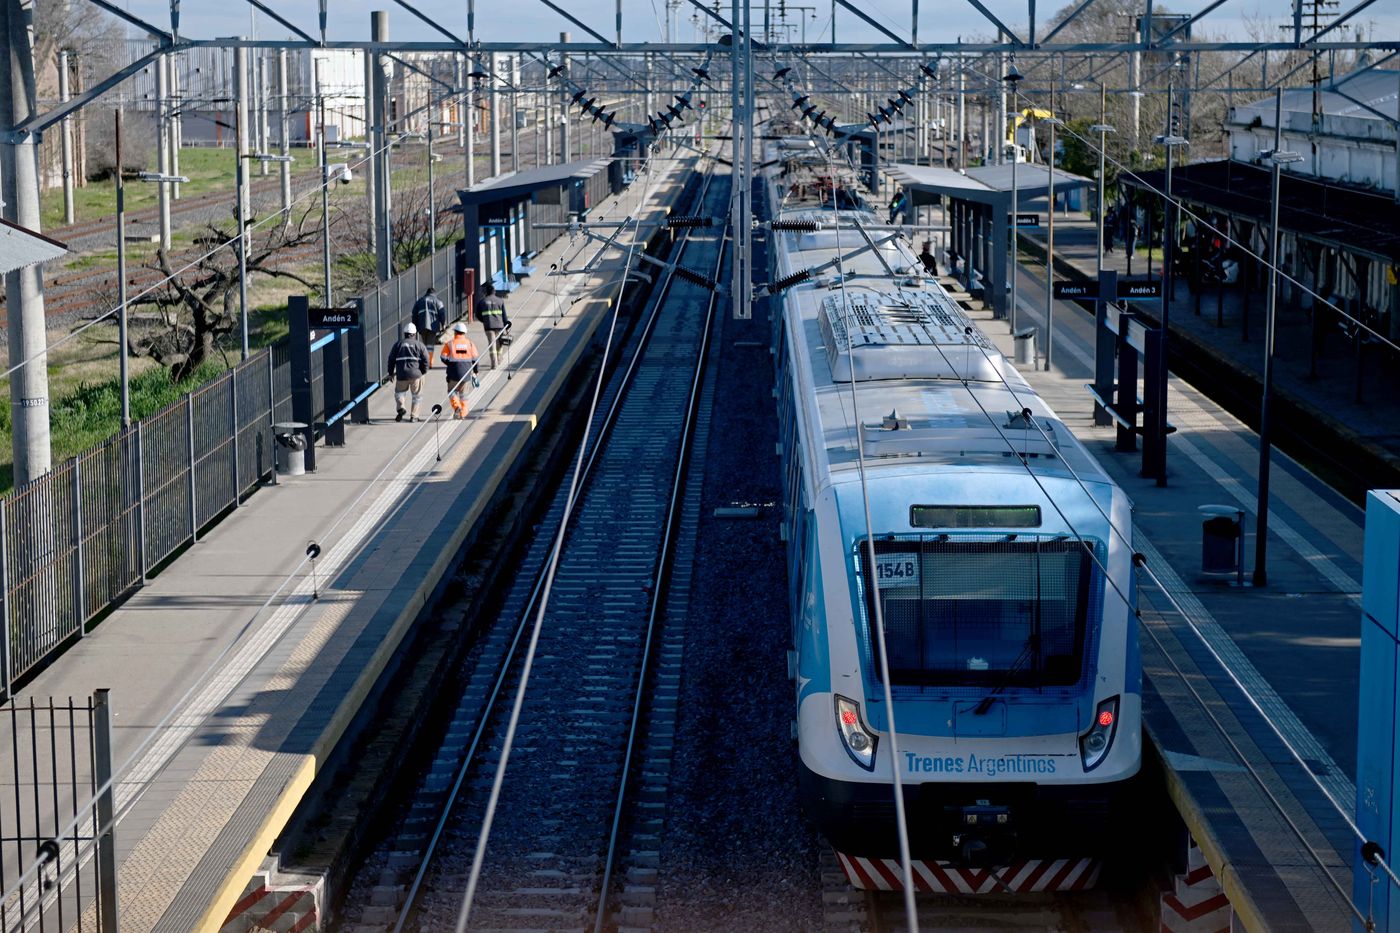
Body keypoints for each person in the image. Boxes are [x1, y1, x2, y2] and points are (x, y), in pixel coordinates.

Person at [386, 322, 431, 422]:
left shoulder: (398, 344)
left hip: (401, 375)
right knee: (417, 396)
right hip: (416, 375)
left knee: (399, 393)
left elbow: (391, 359)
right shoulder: (419, 345)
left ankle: (401, 407)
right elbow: (426, 360)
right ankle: (414, 416)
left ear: (405, 333)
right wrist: (423, 371)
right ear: (414, 334)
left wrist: (390, 373)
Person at [439, 322, 480, 419]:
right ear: (464, 333)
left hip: (453, 373)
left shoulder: (450, 344)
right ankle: (463, 413)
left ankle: (457, 407)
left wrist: (450, 364)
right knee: (464, 395)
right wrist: (475, 371)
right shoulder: (470, 344)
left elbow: (443, 357)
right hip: (466, 373)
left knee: (452, 391)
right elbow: (475, 359)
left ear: (455, 333)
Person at [478, 282, 511, 368]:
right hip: (499, 326)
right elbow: (504, 316)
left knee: (491, 344)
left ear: (486, 292)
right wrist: (506, 327)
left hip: (488, 326)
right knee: (499, 343)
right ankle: (499, 359)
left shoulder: (482, 302)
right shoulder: (500, 301)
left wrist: (484, 320)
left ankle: (494, 364)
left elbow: (477, 315)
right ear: (494, 292)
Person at [412, 287, 448, 364]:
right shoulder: (438, 301)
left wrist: (414, 326)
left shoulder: (419, 301)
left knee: (425, 345)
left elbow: (414, 314)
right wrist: (443, 324)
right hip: (433, 326)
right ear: (434, 293)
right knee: (430, 345)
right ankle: (429, 363)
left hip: (421, 326)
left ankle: (425, 361)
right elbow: (442, 314)